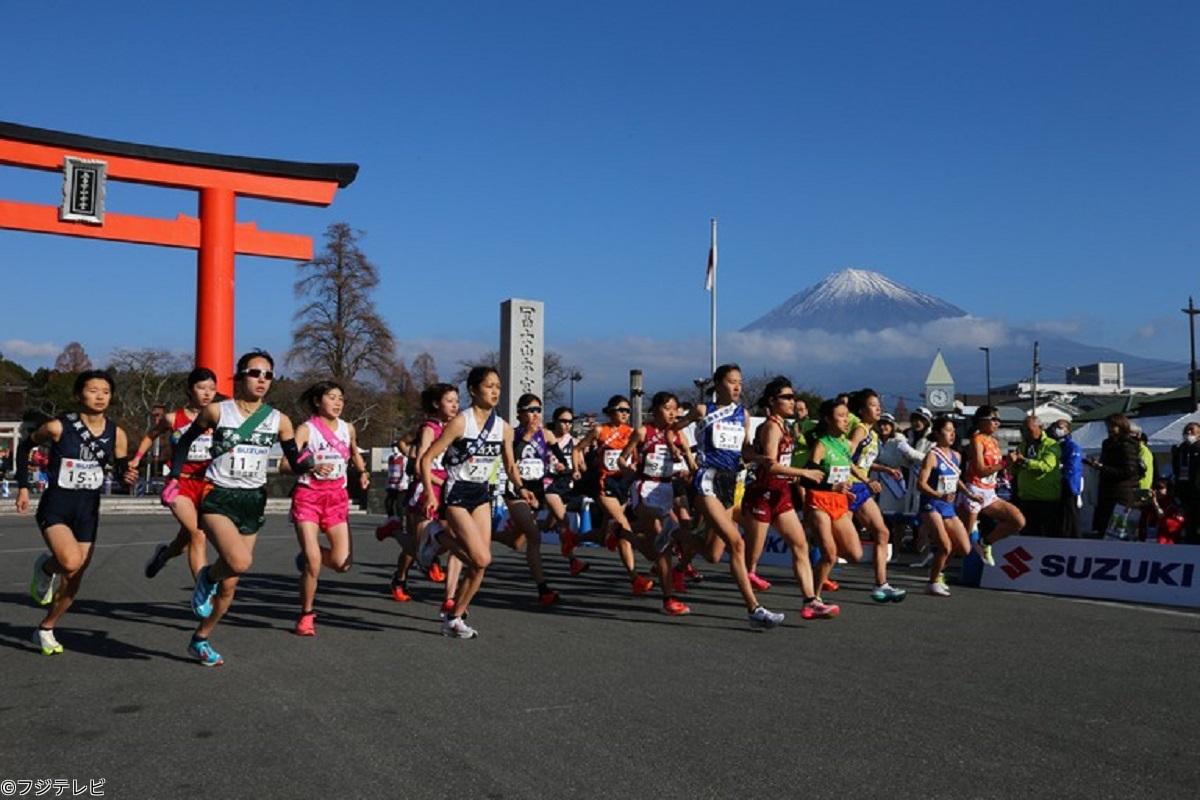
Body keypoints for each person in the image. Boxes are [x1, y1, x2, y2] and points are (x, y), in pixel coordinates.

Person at [167, 350, 309, 666]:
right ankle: (205, 577)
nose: (261, 380)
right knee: (240, 561)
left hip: (253, 499)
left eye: (268, 375)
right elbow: (185, 442)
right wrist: (175, 477)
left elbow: (295, 460)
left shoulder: (279, 420)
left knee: (230, 586)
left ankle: (200, 639)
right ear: (240, 376)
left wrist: (310, 463)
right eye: (255, 373)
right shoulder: (218, 412)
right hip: (218, 496)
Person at [15, 370, 131, 656]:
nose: (100, 395)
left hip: (88, 511)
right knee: (69, 561)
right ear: (79, 395)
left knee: (75, 575)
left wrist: (127, 477)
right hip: (56, 506)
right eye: (93, 390)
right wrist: (23, 487)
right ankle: (45, 568)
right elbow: (25, 447)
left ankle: (46, 628)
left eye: (105, 390)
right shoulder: (57, 427)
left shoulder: (117, 434)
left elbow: (119, 473)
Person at [418, 366, 532, 639]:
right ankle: (437, 536)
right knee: (482, 556)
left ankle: (454, 617)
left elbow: (509, 463)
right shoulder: (461, 422)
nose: (495, 391)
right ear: (473, 390)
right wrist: (431, 494)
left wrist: (521, 488)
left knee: (481, 565)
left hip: (481, 494)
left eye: (498, 387)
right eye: (489, 386)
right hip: (456, 493)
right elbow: (425, 459)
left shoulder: (503, 428)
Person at [677, 364, 785, 629]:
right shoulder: (703, 410)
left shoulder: (743, 414)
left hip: (730, 482)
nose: (737, 387)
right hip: (707, 480)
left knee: (714, 554)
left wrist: (758, 457)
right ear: (717, 383)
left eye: (740, 382)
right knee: (737, 543)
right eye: (731, 381)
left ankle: (676, 535)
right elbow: (674, 429)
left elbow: (744, 449)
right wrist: (688, 457)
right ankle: (754, 609)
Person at [742, 377, 838, 619]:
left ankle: (810, 601)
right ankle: (747, 591)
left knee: (800, 545)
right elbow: (771, 465)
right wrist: (803, 472)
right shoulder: (772, 427)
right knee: (750, 556)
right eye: (786, 397)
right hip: (763, 493)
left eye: (793, 397)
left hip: (781, 493)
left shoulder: (785, 425)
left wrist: (798, 476)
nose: (792, 401)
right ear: (773, 401)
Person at [287, 381, 371, 636]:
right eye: (331, 397)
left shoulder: (348, 428)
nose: (337, 403)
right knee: (314, 564)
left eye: (340, 399)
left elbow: (354, 452)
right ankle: (306, 614)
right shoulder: (306, 430)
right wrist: (310, 467)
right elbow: (285, 462)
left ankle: (309, 557)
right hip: (308, 496)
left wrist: (363, 471)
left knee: (341, 562)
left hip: (336, 498)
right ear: (317, 401)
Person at [133, 367, 219, 580]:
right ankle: (203, 589)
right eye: (201, 388)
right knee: (198, 535)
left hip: (209, 484)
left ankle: (163, 556)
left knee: (184, 541)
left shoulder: (220, 418)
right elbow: (150, 435)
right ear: (190, 390)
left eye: (212, 389)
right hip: (180, 484)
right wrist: (136, 459)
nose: (207, 393)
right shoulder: (174, 418)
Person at [377, 384, 456, 602]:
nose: (455, 405)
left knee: (436, 540)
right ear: (436, 404)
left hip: (448, 488)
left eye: (457, 401)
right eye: (449, 400)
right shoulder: (429, 427)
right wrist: (414, 455)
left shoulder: (456, 427)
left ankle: (403, 576)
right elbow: (422, 463)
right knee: (420, 547)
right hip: (427, 488)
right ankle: (394, 534)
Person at [619, 391, 696, 616]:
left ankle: (625, 536)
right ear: (655, 410)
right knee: (666, 527)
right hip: (645, 487)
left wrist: (689, 472)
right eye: (667, 408)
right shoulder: (644, 431)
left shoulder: (679, 435)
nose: (672, 412)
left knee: (659, 550)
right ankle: (669, 597)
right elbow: (623, 458)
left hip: (667, 488)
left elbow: (689, 464)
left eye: (675, 408)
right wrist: (626, 467)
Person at [575, 395, 651, 594]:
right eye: (621, 410)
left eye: (627, 410)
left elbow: (634, 458)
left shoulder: (631, 433)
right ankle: (635, 577)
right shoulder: (600, 430)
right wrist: (579, 465)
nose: (625, 414)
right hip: (604, 484)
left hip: (623, 485)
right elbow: (578, 448)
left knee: (602, 536)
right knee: (623, 527)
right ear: (610, 411)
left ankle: (572, 539)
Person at [497, 392, 565, 607]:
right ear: (520, 413)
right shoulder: (512, 434)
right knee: (534, 537)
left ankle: (487, 534)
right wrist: (526, 435)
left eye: (538, 410)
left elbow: (560, 457)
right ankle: (543, 589)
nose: (536, 415)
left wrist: (562, 465)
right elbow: (511, 461)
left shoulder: (546, 434)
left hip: (537, 491)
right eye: (531, 410)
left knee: (516, 542)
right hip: (516, 490)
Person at [846, 389, 907, 602]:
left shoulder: (872, 435)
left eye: (878, 404)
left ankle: (881, 585)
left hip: (861, 490)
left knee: (882, 533)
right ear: (862, 410)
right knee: (839, 547)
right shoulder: (860, 430)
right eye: (873, 405)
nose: (878, 408)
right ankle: (813, 587)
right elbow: (845, 457)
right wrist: (866, 480)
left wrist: (885, 470)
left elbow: (865, 462)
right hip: (847, 489)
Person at [958, 406, 1025, 565]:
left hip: (990, 492)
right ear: (981, 421)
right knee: (965, 539)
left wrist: (1013, 461)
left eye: (999, 420)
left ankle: (986, 542)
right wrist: (1004, 463)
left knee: (1018, 521)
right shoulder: (977, 440)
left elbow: (998, 467)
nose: (997, 423)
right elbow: (980, 470)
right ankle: (941, 570)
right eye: (993, 419)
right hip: (974, 490)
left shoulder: (994, 441)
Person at [915, 415, 972, 597]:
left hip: (948, 506)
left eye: (954, 432)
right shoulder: (932, 456)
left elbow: (956, 480)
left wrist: (969, 493)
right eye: (948, 431)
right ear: (938, 434)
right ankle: (932, 583)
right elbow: (920, 484)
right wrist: (938, 494)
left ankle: (938, 570)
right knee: (945, 545)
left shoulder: (957, 456)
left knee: (964, 547)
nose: (952, 435)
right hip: (932, 504)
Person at [543, 406, 589, 577]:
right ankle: (573, 561)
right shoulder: (545, 437)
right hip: (547, 482)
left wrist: (579, 469)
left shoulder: (573, 442)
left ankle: (519, 528)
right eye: (563, 421)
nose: (567, 425)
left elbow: (581, 464)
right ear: (555, 421)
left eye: (570, 422)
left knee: (549, 524)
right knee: (564, 520)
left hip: (565, 485)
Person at [1086, 413, 1142, 537]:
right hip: (1107, 491)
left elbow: (1129, 471)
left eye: (1113, 426)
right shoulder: (1107, 443)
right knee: (1104, 528)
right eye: (1108, 426)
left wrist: (1103, 468)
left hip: (1122, 493)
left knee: (1120, 531)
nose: (1110, 429)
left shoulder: (1127, 445)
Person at [1010, 416, 1062, 537]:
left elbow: (1047, 466)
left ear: (1040, 428)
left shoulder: (1051, 445)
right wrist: (1013, 464)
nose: (1025, 433)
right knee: (1027, 534)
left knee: (1045, 535)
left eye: (1029, 430)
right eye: (1023, 430)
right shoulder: (1022, 445)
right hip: (1025, 498)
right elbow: (1014, 471)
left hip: (1045, 499)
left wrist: (1025, 462)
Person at [1049, 420, 1084, 538]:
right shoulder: (1053, 445)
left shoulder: (1072, 447)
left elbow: (1072, 468)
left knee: (1070, 518)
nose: (1055, 430)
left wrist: (1071, 486)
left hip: (1069, 487)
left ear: (1067, 430)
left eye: (1059, 427)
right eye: (1054, 426)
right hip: (1055, 487)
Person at [1170, 423, 1200, 544]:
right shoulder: (1180, 449)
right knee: (1187, 524)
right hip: (1184, 492)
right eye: (1187, 431)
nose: (1188, 433)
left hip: (1197, 492)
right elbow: (1177, 471)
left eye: (1192, 431)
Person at [384, 435, 412, 519]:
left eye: (396, 447)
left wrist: (402, 483)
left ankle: (400, 522)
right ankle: (391, 519)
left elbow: (405, 471)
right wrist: (387, 483)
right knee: (388, 503)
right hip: (392, 485)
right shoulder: (390, 458)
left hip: (401, 486)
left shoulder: (404, 458)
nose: (394, 449)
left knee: (399, 505)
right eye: (393, 447)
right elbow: (389, 472)